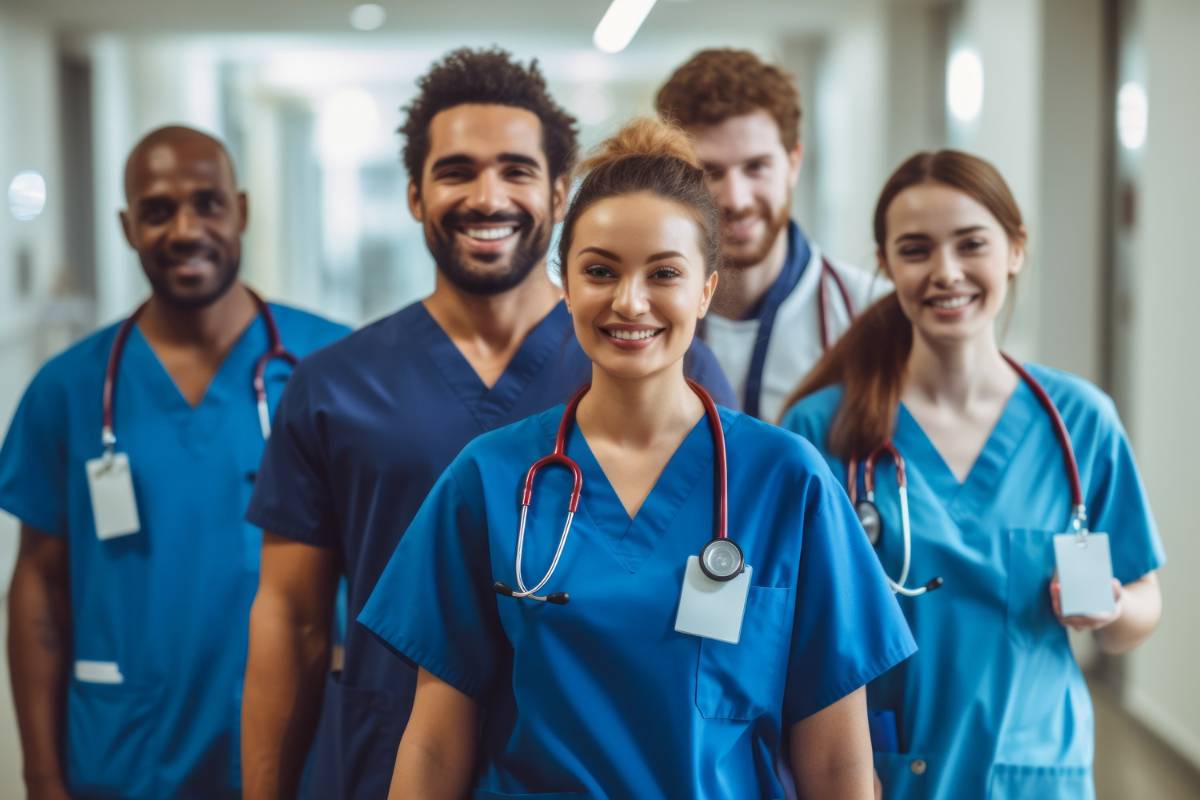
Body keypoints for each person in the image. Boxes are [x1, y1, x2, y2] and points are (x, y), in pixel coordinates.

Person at [358, 118, 915, 799]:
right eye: (600, 271)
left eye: (664, 273)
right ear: (565, 282)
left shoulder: (786, 480)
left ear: (706, 289)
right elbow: (436, 742)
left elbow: (836, 761)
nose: (629, 301)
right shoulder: (491, 478)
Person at [240, 50, 734, 800]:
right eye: (456, 171)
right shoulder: (335, 387)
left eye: (516, 170)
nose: (488, 195)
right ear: (414, 194)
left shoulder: (663, 369)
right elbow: (291, 619)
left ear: (559, 192)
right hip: (390, 762)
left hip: (605, 767)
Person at [780, 150, 1164, 799]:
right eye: (916, 249)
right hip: (885, 773)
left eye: (971, 244)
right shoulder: (821, 431)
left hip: (1035, 773)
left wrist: (1112, 608)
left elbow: (1142, 605)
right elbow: (791, 636)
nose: (946, 272)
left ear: (1015, 250)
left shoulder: (1080, 423)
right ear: (886, 263)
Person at [0, 126, 348, 799]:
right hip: (130, 747)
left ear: (240, 210)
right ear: (128, 226)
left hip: (301, 743)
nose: (185, 229)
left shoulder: (333, 368)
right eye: (158, 210)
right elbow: (38, 587)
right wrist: (40, 774)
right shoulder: (69, 388)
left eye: (207, 204)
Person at [656, 48, 889, 422]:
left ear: (793, 163)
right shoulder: (643, 316)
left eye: (756, 167)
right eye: (711, 171)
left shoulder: (871, 314)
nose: (736, 199)